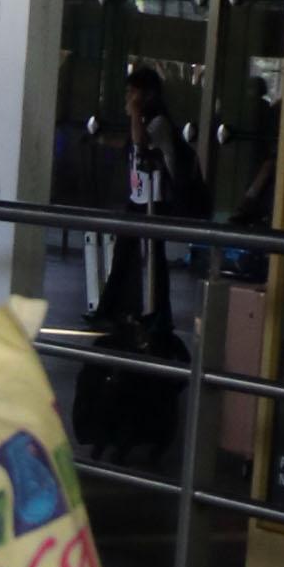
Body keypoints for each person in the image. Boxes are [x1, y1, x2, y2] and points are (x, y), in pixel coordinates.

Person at [74, 60, 206, 462]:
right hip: (139, 206)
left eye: (134, 92)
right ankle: (126, 312)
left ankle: (150, 320)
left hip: (154, 208)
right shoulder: (148, 121)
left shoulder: (158, 123)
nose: (129, 99)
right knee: (128, 262)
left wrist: (135, 118)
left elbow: (148, 150)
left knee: (147, 269)